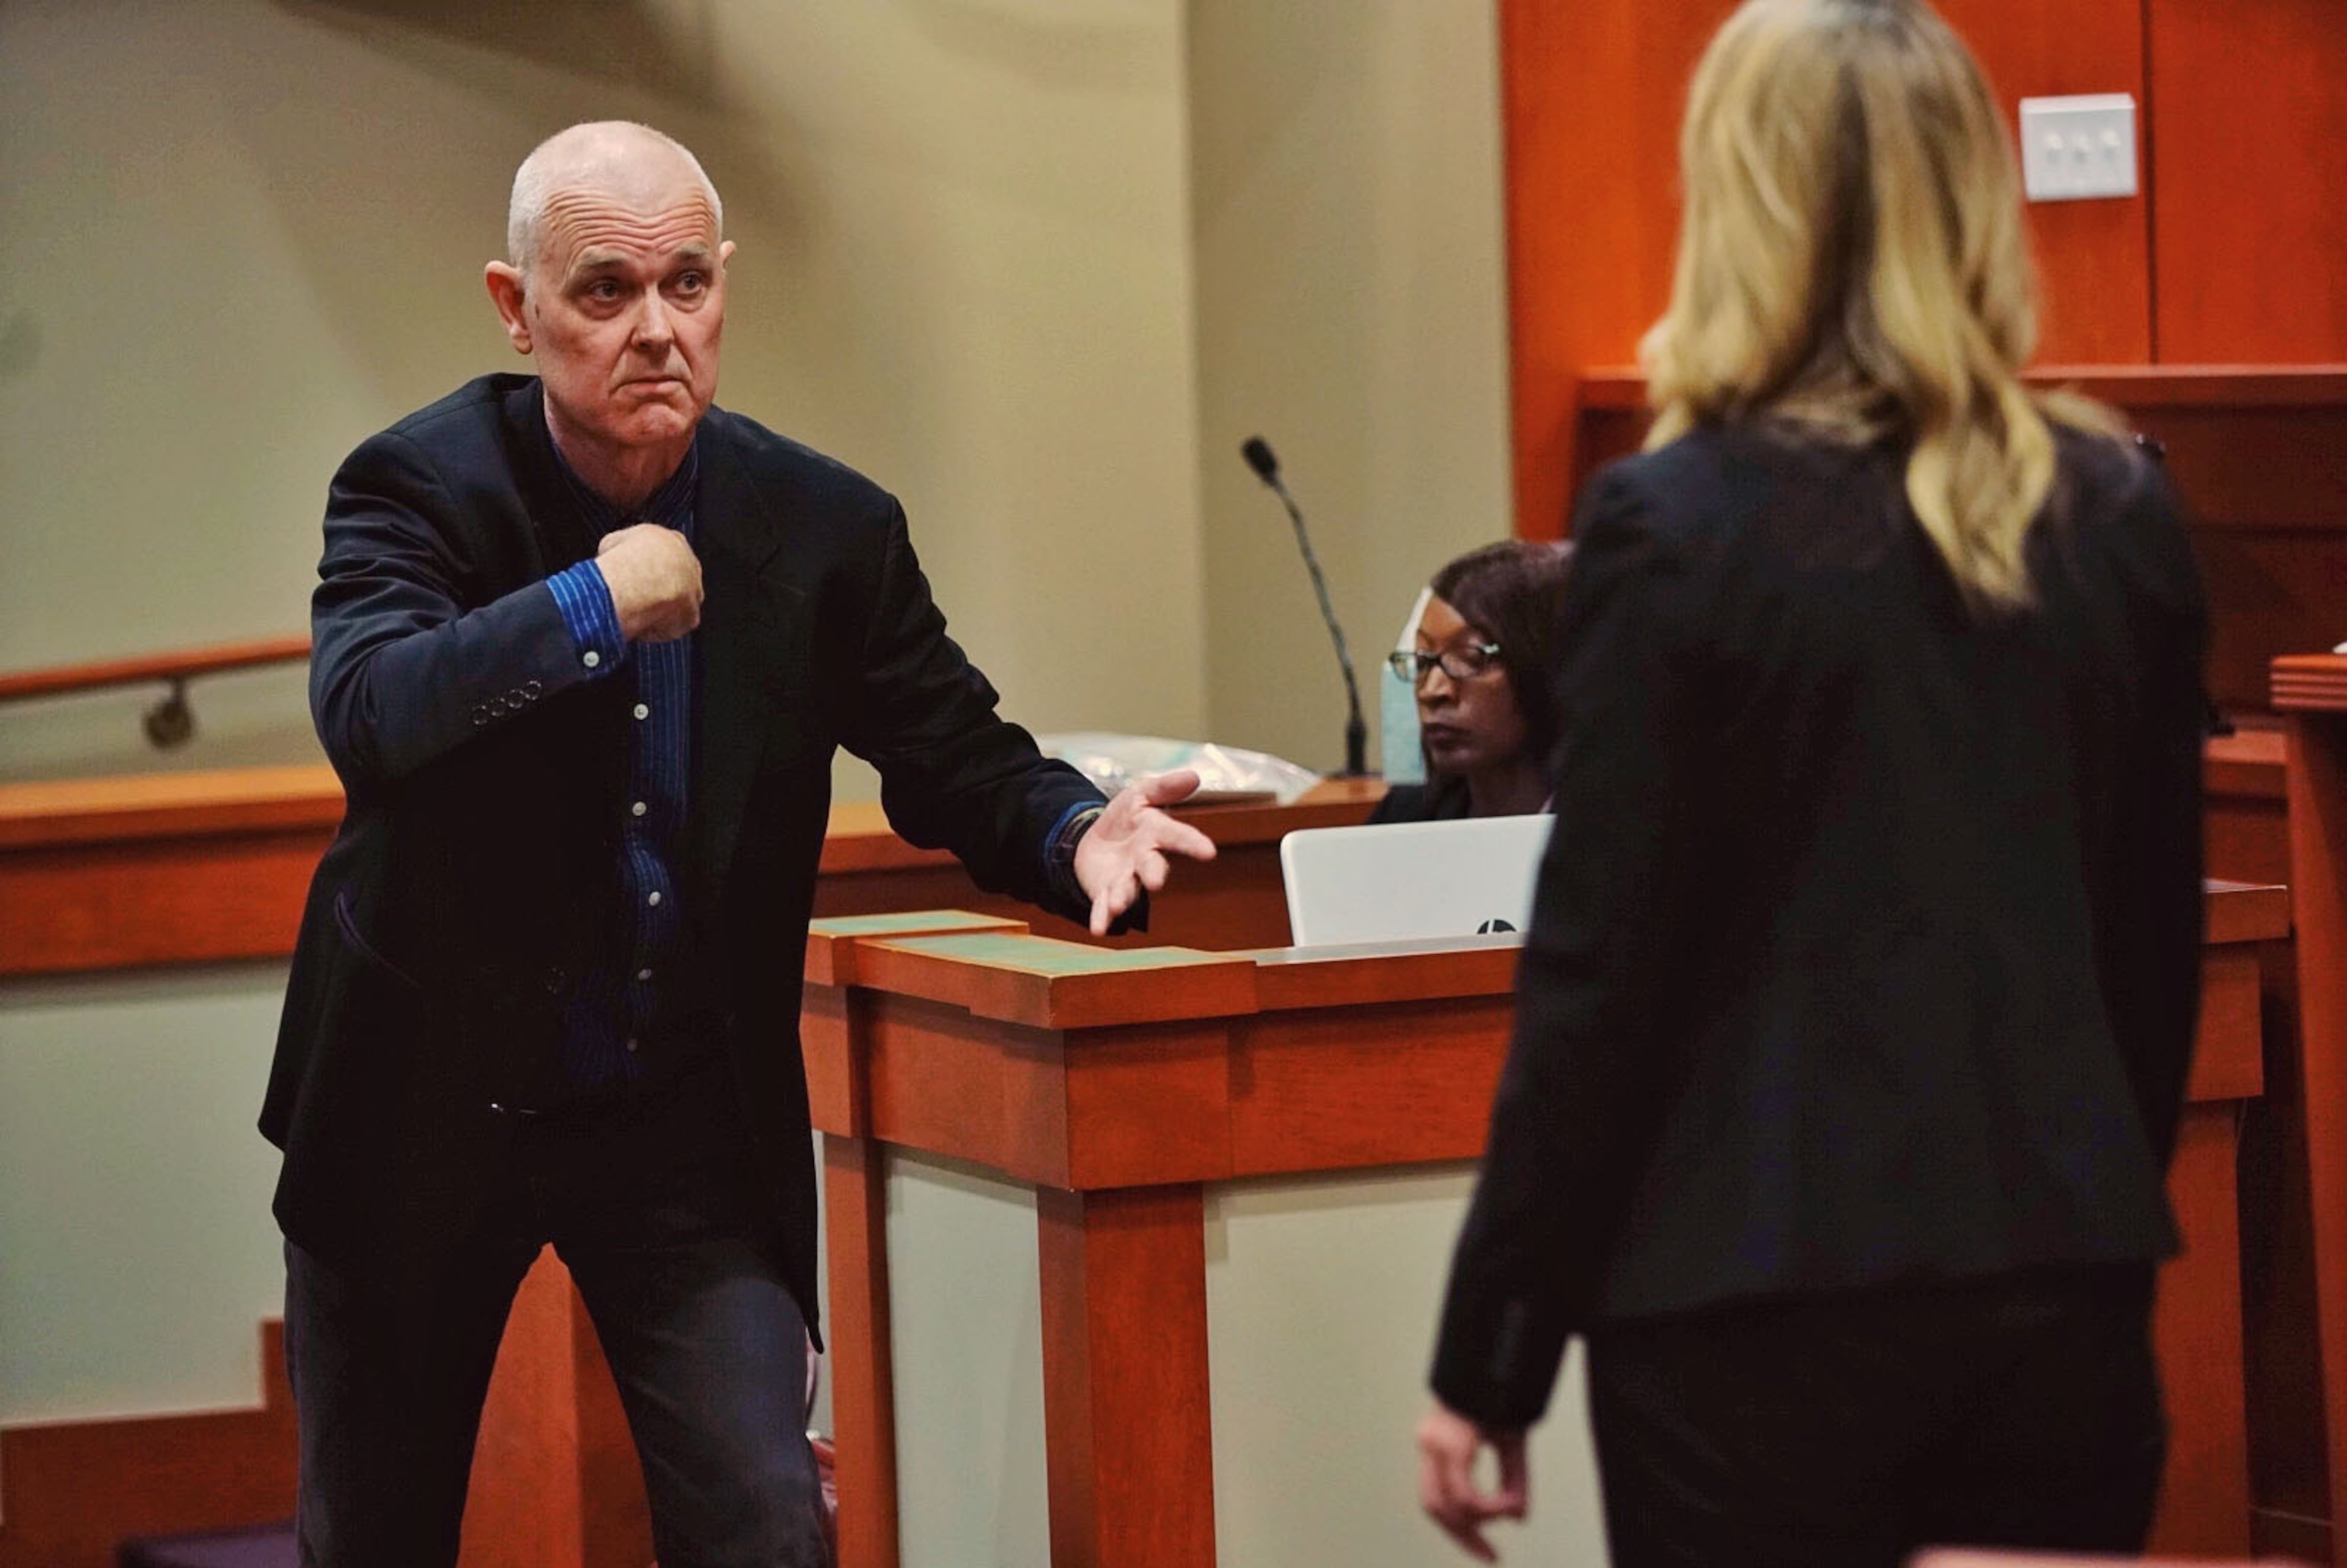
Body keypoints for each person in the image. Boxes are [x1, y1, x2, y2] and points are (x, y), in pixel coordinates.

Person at [260, 121, 1214, 1567]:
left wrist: (1075, 828)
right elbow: (373, 713)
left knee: (768, 1520)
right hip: (421, 1101)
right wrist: (592, 604)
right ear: (517, 308)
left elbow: (953, 750)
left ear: (724, 288)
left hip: (680, 1119)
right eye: (605, 290)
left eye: (688, 284)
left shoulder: (823, 524)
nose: (657, 329)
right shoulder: (415, 485)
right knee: (374, 1536)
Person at [1414, 2, 2206, 1564]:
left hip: (1744, 1303)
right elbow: (2147, 954)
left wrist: (1491, 1352)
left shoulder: (1674, 525)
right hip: (2050, 1285)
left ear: (1736, 201)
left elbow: (1603, 980)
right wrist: (2081, 1205)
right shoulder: (2116, 511)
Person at [1373, 540, 1572, 823]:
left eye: (1471, 658)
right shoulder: (1406, 815)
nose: (1432, 691)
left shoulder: (1616, 826)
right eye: (1422, 661)